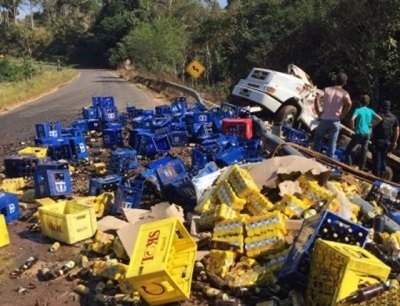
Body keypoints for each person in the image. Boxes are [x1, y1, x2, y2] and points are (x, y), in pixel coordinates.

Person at [313, 72, 352, 158]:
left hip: (324, 119)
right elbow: (349, 103)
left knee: (318, 138)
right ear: (344, 83)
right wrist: (343, 114)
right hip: (335, 120)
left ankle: (314, 157)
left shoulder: (327, 89)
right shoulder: (344, 93)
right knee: (332, 142)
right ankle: (329, 161)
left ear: (335, 80)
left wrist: (318, 111)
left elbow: (317, 98)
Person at [343, 95, 382, 171]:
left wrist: (353, 127)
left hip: (359, 132)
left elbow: (352, 119)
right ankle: (362, 167)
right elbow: (380, 119)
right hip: (367, 133)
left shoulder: (358, 110)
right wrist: (372, 125)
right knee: (364, 151)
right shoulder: (370, 111)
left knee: (349, 149)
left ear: (360, 102)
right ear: (368, 103)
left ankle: (349, 165)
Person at [371, 100, 399, 178]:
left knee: (377, 160)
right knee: (383, 159)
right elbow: (397, 130)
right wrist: (395, 141)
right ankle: (382, 177)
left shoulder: (378, 115)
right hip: (387, 142)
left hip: (377, 140)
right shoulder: (394, 117)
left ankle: (375, 177)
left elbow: (372, 126)